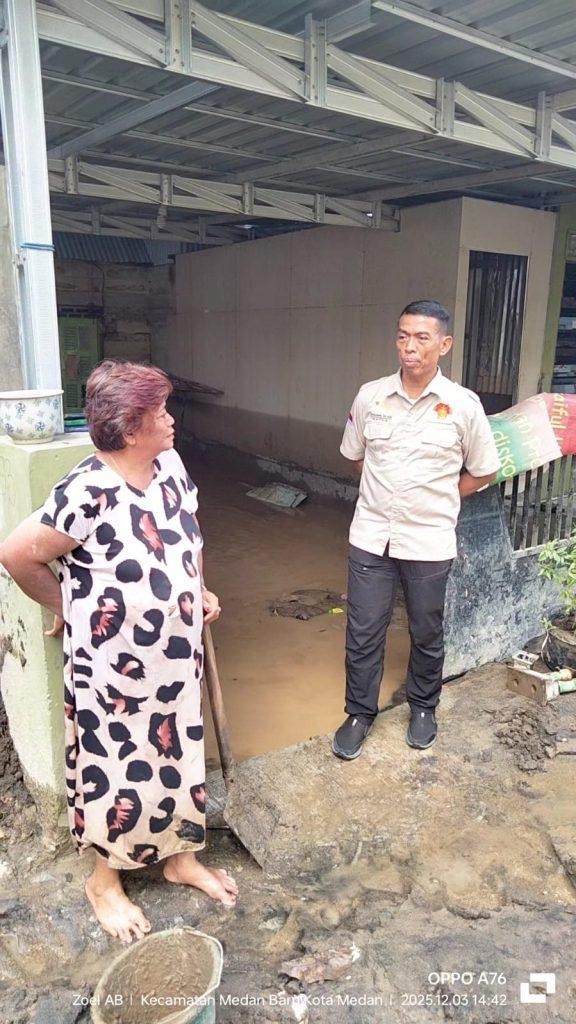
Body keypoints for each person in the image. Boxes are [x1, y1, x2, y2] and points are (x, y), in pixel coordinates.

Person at [0, 360, 238, 943]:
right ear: (130, 429)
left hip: (175, 659)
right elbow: (17, 554)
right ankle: (104, 882)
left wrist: (198, 589)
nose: (172, 420)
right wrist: (68, 607)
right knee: (115, 771)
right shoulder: (86, 489)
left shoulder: (171, 467)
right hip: (112, 669)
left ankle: (180, 858)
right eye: (160, 412)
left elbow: (189, 537)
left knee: (179, 756)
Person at [332, 300, 500, 760]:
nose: (409, 346)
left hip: (428, 540)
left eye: (422, 337)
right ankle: (359, 714)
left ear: (444, 345)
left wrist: (441, 497)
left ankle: (423, 707)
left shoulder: (463, 405)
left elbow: (484, 470)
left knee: (426, 630)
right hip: (371, 537)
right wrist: (384, 494)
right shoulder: (370, 397)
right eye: (403, 335)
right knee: (364, 630)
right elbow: (356, 457)